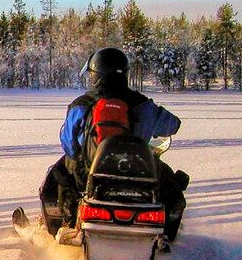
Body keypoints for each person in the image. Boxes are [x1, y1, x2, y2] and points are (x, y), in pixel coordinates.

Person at [48, 47, 188, 243]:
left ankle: (67, 222)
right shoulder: (143, 105)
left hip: (90, 176)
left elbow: (69, 144)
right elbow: (173, 125)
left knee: (60, 173)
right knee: (171, 181)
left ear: (95, 74)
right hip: (139, 177)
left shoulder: (81, 104)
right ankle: (166, 232)